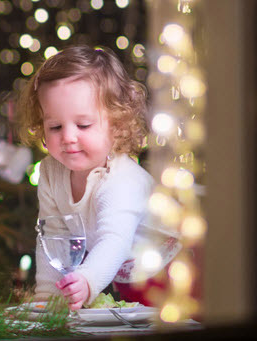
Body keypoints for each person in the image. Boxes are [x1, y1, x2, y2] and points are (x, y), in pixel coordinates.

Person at [16, 45, 158, 310]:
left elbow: (114, 240)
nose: (68, 137)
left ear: (117, 124)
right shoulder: (50, 172)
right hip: (124, 274)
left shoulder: (122, 180)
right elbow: (53, 237)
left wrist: (88, 279)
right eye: (55, 126)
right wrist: (46, 297)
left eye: (83, 125)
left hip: (168, 268)